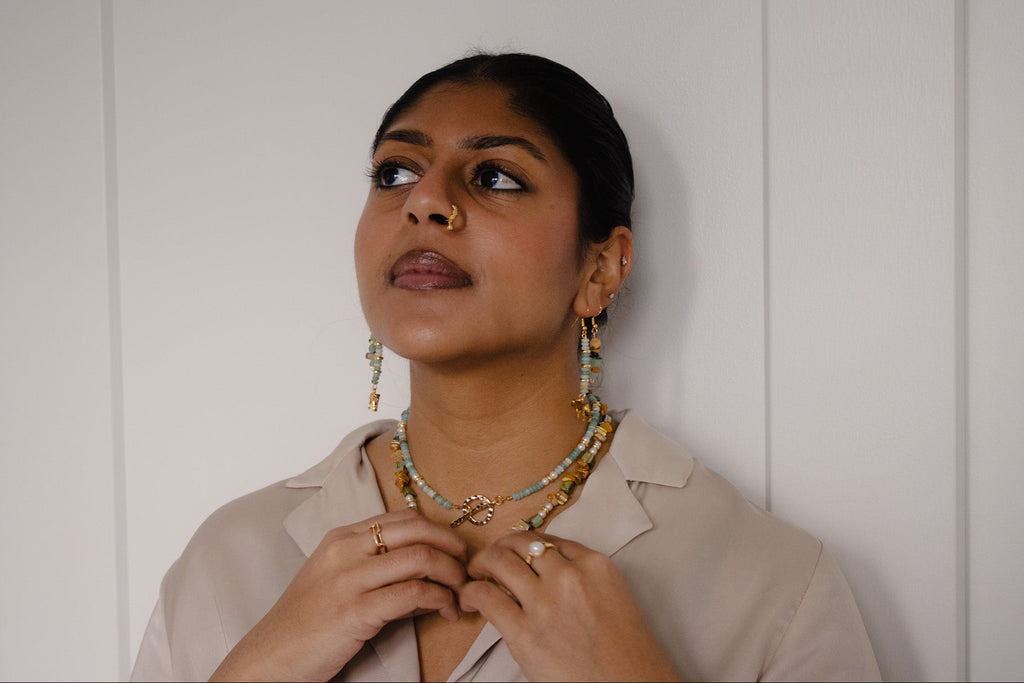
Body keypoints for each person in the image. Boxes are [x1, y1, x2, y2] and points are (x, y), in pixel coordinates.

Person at [131, 52, 881, 682]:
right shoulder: (227, 562)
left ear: (601, 267)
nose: (425, 201)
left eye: (494, 177)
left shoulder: (770, 584)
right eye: (394, 173)